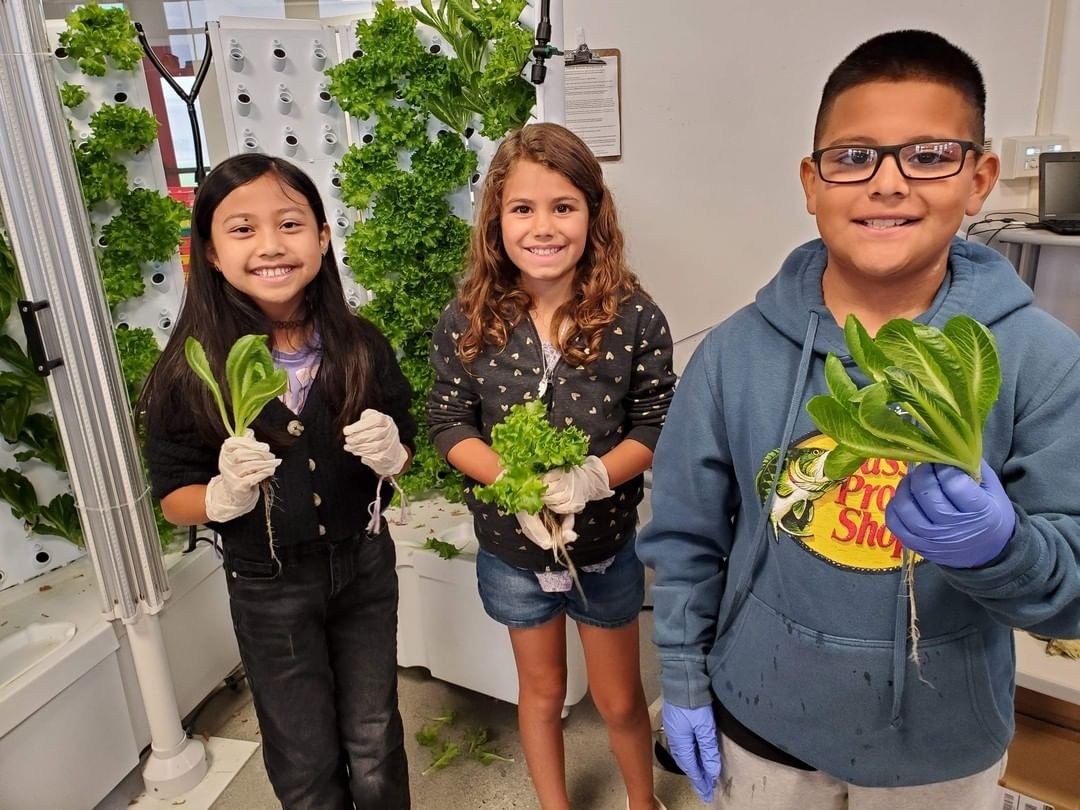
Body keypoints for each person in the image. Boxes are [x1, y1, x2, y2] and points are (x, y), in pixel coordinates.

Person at [638, 29, 1080, 809]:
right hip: (762, 722)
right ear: (810, 183)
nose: (887, 183)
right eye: (853, 157)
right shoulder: (733, 354)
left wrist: (1004, 548)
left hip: (943, 748)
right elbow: (684, 537)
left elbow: (1071, 585)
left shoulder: (1041, 361)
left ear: (979, 179)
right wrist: (680, 676)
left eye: (929, 154)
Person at [140, 154, 414, 810]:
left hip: (364, 567)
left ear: (322, 236)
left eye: (290, 224)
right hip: (267, 585)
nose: (270, 245)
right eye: (242, 230)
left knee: (375, 736)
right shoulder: (191, 370)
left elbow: (404, 443)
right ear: (208, 252)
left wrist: (391, 453)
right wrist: (219, 496)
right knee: (303, 751)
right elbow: (174, 496)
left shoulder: (361, 346)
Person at [428, 122, 677, 810]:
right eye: (523, 209)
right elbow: (449, 421)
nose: (544, 227)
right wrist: (508, 480)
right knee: (539, 695)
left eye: (563, 207)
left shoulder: (632, 317)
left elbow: (656, 419)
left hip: (602, 551)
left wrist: (593, 476)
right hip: (512, 553)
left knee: (621, 699)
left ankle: (642, 802)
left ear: (593, 215)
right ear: (496, 221)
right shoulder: (469, 316)